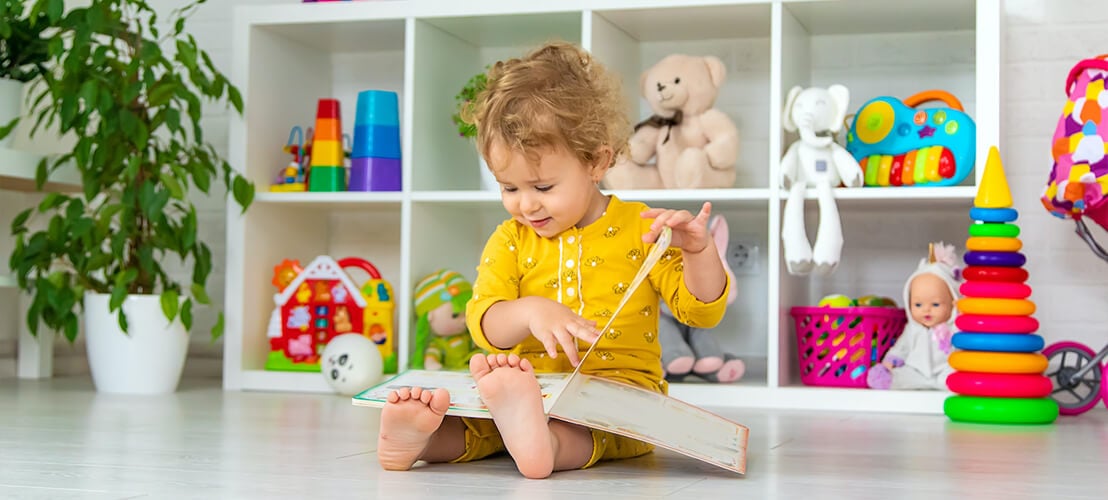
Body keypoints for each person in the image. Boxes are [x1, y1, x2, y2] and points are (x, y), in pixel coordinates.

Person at [375, 41, 731, 479]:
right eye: (509, 188)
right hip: (528, 386)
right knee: (478, 423)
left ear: (596, 161)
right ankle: (424, 438)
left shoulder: (642, 227)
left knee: (591, 431)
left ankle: (541, 444)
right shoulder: (510, 239)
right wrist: (528, 311)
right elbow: (485, 324)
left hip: (620, 394)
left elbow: (699, 309)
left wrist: (697, 252)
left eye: (542, 187)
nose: (525, 206)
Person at [867, 242, 960, 390]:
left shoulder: (955, 328)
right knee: (901, 376)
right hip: (916, 370)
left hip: (944, 370)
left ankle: (956, 383)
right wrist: (890, 361)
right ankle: (888, 380)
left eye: (935, 305)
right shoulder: (913, 329)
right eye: (918, 305)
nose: (926, 310)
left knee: (954, 377)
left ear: (953, 304)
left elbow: (961, 349)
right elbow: (902, 347)